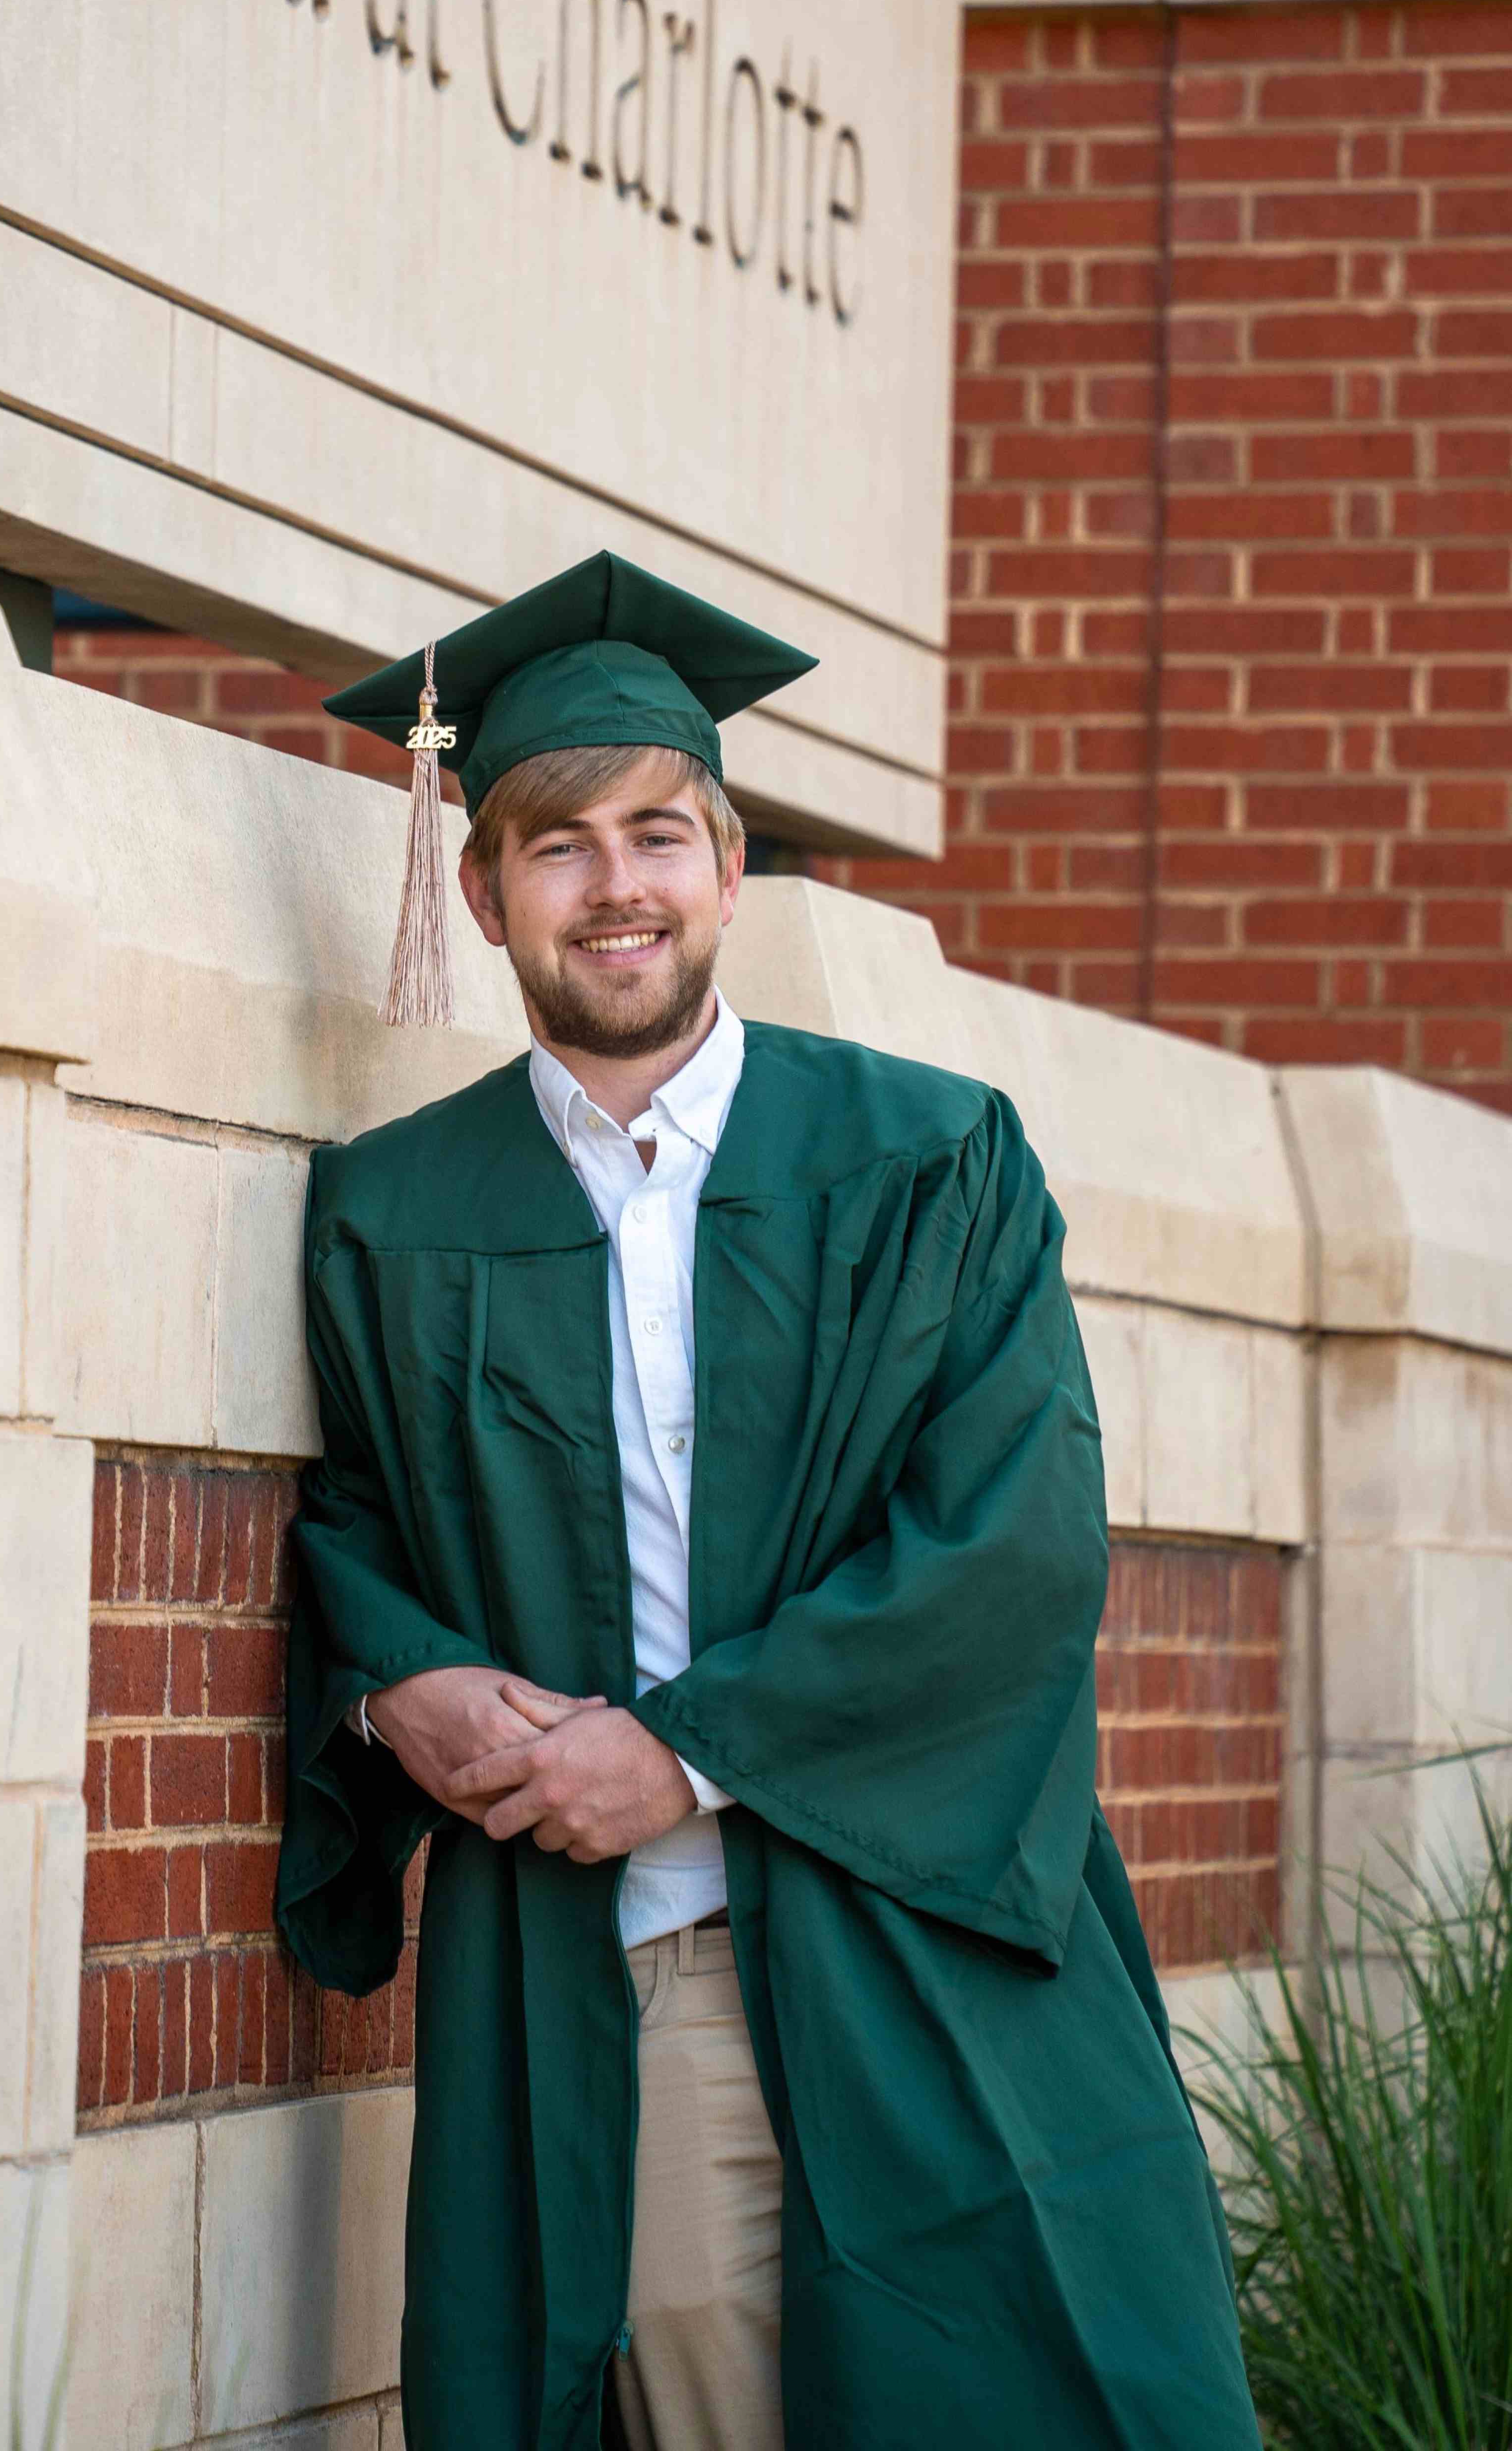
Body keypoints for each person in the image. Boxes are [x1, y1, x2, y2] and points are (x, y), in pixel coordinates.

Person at [275, 552, 1260, 2451]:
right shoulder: (395, 1211)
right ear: (482, 894)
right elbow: (356, 1528)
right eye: (559, 847)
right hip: (609, 1958)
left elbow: (1011, 1549)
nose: (617, 887)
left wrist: (685, 1753)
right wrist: (397, 1692)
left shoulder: (931, 1158)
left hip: (914, 1928)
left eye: (660, 835)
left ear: (729, 868)